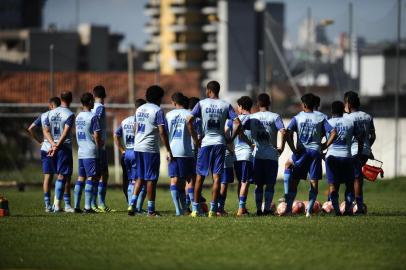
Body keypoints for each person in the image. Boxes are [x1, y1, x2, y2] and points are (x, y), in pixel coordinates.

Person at [187, 80, 241, 218]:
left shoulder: (202, 103)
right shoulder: (225, 104)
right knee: (216, 177)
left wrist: (195, 139)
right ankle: (212, 210)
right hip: (220, 143)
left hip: (205, 143)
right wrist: (230, 138)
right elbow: (237, 122)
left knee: (200, 177)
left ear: (208, 90)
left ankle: (195, 209)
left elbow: (189, 121)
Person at [284, 93, 337, 217]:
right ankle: (308, 212)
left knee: (295, 181)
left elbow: (287, 133)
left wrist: (292, 148)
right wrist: (324, 145)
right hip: (315, 152)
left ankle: (288, 209)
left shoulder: (297, 117)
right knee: (313, 182)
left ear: (305, 105)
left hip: (301, 152)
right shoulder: (321, 117)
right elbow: (333, 132)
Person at [128, 85, 173, 217]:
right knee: (151, 179)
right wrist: (168, 149)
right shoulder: (158, 110)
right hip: (150, 149)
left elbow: (134, 128)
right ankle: (151, 210)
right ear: (159, 97)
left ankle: (132, 204)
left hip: (138, 146)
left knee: (140, 177)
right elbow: (162, 131)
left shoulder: (139, 109)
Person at [248, 93, 286, 216]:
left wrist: (249, 143)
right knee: (270, 184)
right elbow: (283, 131)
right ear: (269, 103)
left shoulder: (252, 117)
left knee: (258, 185)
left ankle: (259, 210)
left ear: (257, 104)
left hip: (257, 156)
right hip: (271, 156)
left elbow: (239, 128)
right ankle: (267, 209)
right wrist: (281, 148)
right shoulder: (275, 117)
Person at [325, 101, 363, 216]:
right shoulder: (350, 122)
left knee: (333, 185)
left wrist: (322, 150)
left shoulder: (328, 122)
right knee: (349, 184)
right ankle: (347, 209)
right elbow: (359, 138)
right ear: (343, 110)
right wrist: (359, 154)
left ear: (332, 111)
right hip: (347, 156)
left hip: (331, 156)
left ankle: (336, 210)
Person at [26, 97, 61, 212]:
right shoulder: (63, 115)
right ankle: (59, 204)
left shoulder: (44, 115)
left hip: (46, 148)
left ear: (50, 105)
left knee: (48, 176)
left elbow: (30, 129)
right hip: (59, 148)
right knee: (62, 176)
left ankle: (47, 205)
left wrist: (39, 141)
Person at [344, 91, 375, 214]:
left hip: (353, 151)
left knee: (355, 179)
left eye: (345, 103)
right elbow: (373, 136)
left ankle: (357, 206)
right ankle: (354, 204)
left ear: (349, 104)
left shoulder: (347, 118)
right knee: (355, 177)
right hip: (365, 152)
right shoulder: (368, 116)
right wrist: (368, 148)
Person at [43, 91, 75, 213]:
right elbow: (66, 132)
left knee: (60, 176)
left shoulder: (49, 113)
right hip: (63, 148)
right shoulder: (70, 114)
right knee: (63, 176)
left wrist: (52, 144)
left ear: (61, 99)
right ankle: (58, 205)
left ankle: (62, 204)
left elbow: (46, 131)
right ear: (71, 100)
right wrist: (57, 146)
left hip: (52, 147)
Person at [114, 99, 147, 212]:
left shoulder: (125, 121)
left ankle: (130, 205)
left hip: (127, 152)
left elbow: (116, 135)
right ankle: (137, 207)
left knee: (131, 180)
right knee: (141, 179)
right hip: (137, 152)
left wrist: (121, 150)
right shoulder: (141, 121)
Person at [166, 93, 195, 216]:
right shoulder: (190, 114)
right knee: (189, 179)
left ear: (174, 102)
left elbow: (164, 132)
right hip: (186, 150)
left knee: (174, 180)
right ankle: (193, 209)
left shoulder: (168, 115)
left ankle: (178, 210)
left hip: (172, 150)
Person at [73, 92, 102, 213]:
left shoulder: (78, 116)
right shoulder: (93, 116)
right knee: (91, 177)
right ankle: (87, 207)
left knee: (81, 177)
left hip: (81, 151)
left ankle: (76, 206)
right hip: (90, 151)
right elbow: (96, 135)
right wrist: (99, 145)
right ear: (90, 102)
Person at [91, 85, 114, 212]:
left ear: (94, 95)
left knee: (96, 175)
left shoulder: (90, 107)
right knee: (102, 174)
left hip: (91, 145)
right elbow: (96, 120)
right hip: (99, 146)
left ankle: (95, 203)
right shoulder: (100, 108)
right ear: (105, 95)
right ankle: (98, 204)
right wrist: (98, 139)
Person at [233, 96, 254, 216]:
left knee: (240, 182)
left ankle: (242, 207)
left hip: (236, 154)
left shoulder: (234, 119)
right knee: (245, 182)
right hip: (246, 153)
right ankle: (241, 209)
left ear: (241, 107)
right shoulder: (253, 118)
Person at [218, 119, 236, 216]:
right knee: (224, 182)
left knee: (217, 180)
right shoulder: (228, 121)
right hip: (225, 153)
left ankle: (216, 207)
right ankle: (220, 208)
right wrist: (229, 148)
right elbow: (224, 133)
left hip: (216, 151)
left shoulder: (218, 118)